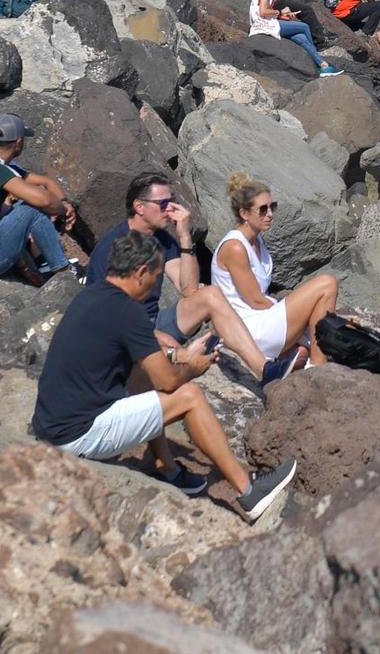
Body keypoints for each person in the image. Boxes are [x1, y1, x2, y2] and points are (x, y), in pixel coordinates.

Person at [33, 232, 299, 519]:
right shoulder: (126, 311)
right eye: (156, 276)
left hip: (52, 428)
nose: (157, 284)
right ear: (141, 272)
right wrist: (194, 368)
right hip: (78, 436)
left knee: (142, 376)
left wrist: (182, 355)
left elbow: (145, 356)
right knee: (189, 397)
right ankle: (249, 492)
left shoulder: (96, 296)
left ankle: (167, 467)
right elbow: (169, 381)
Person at [86, 173, 268, 376]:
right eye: (163, 203)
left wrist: (184, 236)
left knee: (210, 295)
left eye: (172, 202)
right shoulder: (111, 248)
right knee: (177, 354)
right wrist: (170, 347)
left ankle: (264, 368)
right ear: (139, 207)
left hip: (153, 321)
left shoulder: (162, 239)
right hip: (123, 332)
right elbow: (107, 317)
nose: (170, 209)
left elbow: (189, 289)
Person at [212, 173, 341, 375]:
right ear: (244, 213)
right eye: (263, 209)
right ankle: (318, 365)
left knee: (324, 327)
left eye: (272, 207)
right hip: (248, 329)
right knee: (327, 284)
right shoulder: (235, 247)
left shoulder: (257, 241)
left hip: (260, 319)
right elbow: (255, 300)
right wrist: (296, 311)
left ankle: (309, 358)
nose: (270, 214)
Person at [0, 113, 81, 284]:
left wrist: (63, 202)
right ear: (18, 142)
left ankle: (44, 262)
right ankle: (64, 271)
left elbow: (42, 185)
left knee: (26, 204)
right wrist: (64, 209)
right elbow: (44, 201)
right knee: (31, 209)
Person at [251, 0, 341, 77]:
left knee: (300, 37)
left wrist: (283, 16)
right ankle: (318, 64)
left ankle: (323, 65)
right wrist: (280, 12)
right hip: (263, 24)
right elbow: (263, 11)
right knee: (304, 27)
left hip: (265, 22)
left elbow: (265, 11)